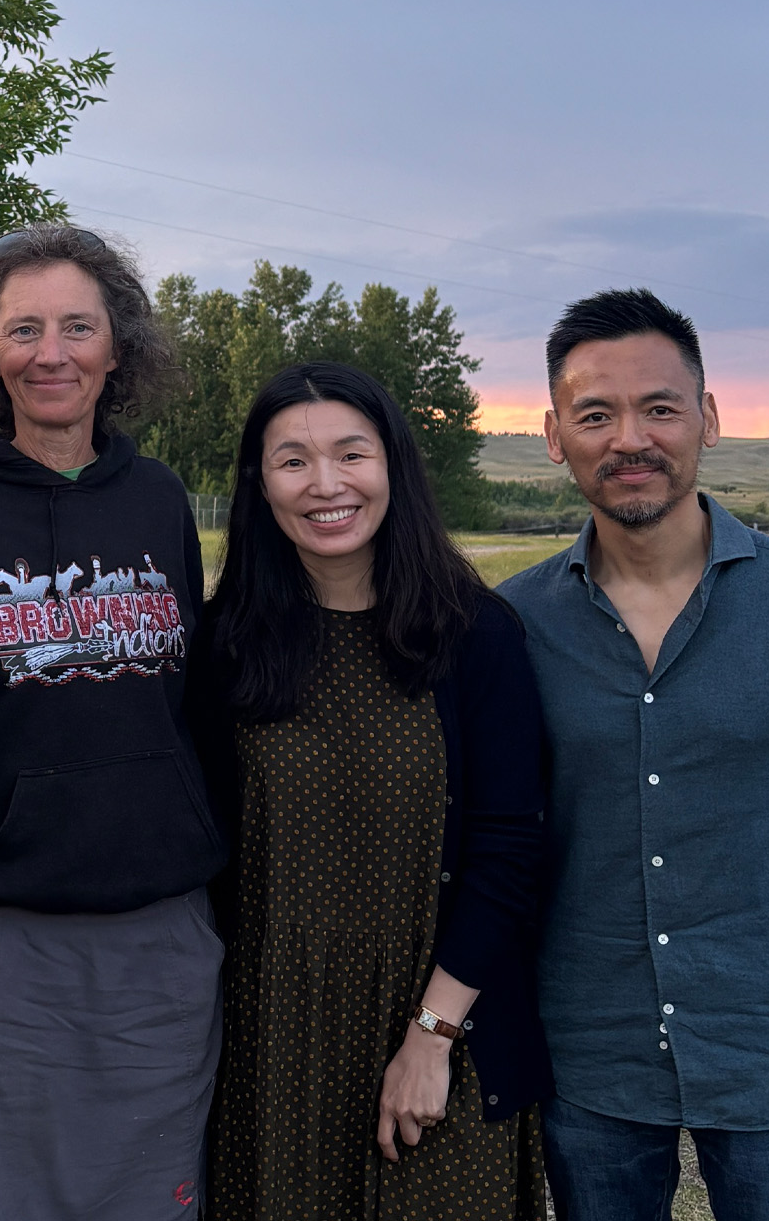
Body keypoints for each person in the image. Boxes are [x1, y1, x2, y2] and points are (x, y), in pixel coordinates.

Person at [499, 288, 769, 1221]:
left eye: (659, 407)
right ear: (553, 434)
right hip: (589, 1054)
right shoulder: (511, 622)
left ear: (706, 415)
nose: (631, 437)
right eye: (595, 413)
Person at [0, 224, 226, 1220]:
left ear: (120, 349)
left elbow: (183, 700)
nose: (51, 352)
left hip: (157, 948)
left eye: (79, 326)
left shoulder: (156, 502)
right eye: (22, 328)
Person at [197, 361, 551, 1219]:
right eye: (292, 460)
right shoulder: (227, 641)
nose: (325, 485)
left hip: (439, 1027)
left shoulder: (476, 634)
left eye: (350, 454)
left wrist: (430, 1039)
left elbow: (509, 851)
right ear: (259, 482)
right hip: (269, 1033)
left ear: (392, 464)